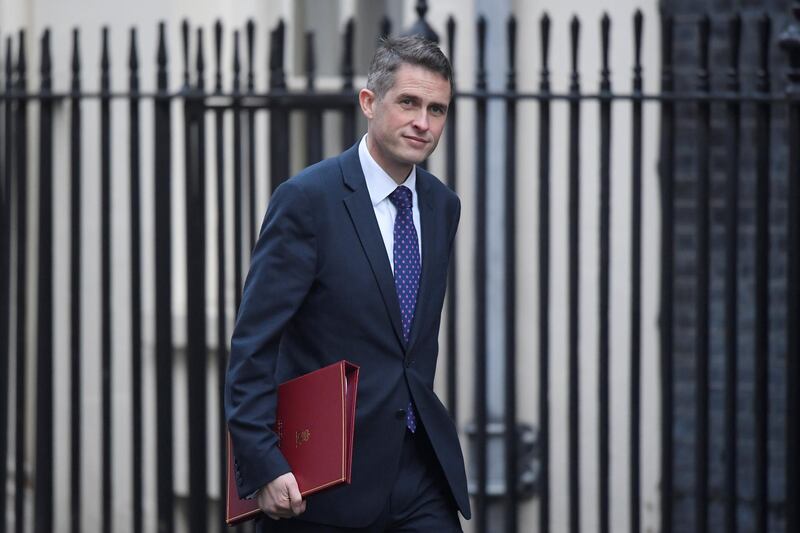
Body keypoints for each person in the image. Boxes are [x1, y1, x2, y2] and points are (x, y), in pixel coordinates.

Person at [225, 35, 470, 532]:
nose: (423, 122)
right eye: (408, 102)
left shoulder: (443, 206)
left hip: (418, 472)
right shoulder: (307, 200)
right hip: (327, 481)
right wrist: (263, 462)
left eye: (437, 109)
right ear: (368, 102)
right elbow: (254, 341)